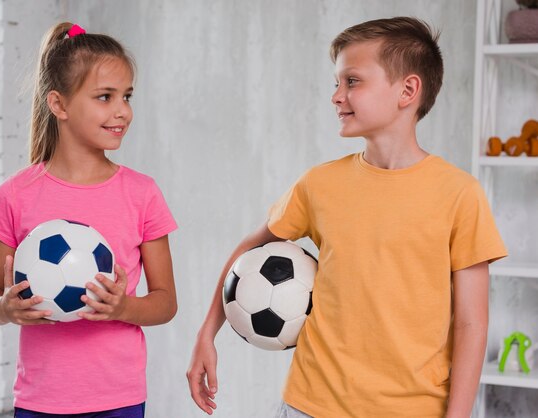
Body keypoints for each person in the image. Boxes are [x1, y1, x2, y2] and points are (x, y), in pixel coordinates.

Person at [187, 16, 507, 418]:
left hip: (413, 410)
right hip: (311, 403)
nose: (337, 96)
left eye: (352, 81)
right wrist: (206, 334)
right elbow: (250, 249)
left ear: (407, 90)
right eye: (335, 83)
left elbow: (472, 325)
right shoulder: (319, 185)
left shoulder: (460, 194)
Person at [0, 22, 177, 418]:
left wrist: (122, 308)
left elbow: (166, 302)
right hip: (39, 400)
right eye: (105, 97)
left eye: (126, 96)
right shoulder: (15, 196)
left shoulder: (142, 194)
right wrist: (5, 309)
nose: (122, 111)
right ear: (59, 105)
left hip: (118, 397)